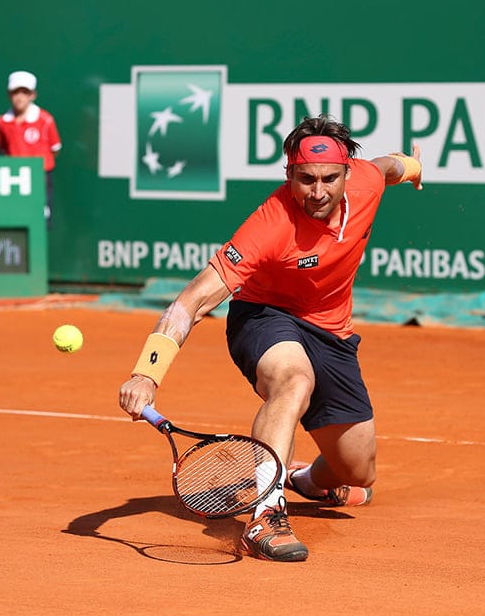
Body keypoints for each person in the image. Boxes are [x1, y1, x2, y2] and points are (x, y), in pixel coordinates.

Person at [118, 115, 423, 562]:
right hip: (265, 316)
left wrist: (412, 166)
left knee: (359, 472)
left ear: (347, 173)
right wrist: (147, 372)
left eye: (329, 179)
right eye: (305, 179)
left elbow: (390, 166)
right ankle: (264, 514)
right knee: (293, 380)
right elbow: (194, 300)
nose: (317, 192)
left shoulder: (367, 181)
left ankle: (305, 479)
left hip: (332, 331)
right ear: (289, 175)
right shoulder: (270, 224)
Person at [0, 70, 62, 221]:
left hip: (41, 178)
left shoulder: (45, 120)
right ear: (9, 94)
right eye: (15, 92)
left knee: (42, 220)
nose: (19, 97)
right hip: (14, 179)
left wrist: (40, 170)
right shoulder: (2, 122)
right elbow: (4, 150)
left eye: (24, 92)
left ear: (32, 95)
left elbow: (55, 149)